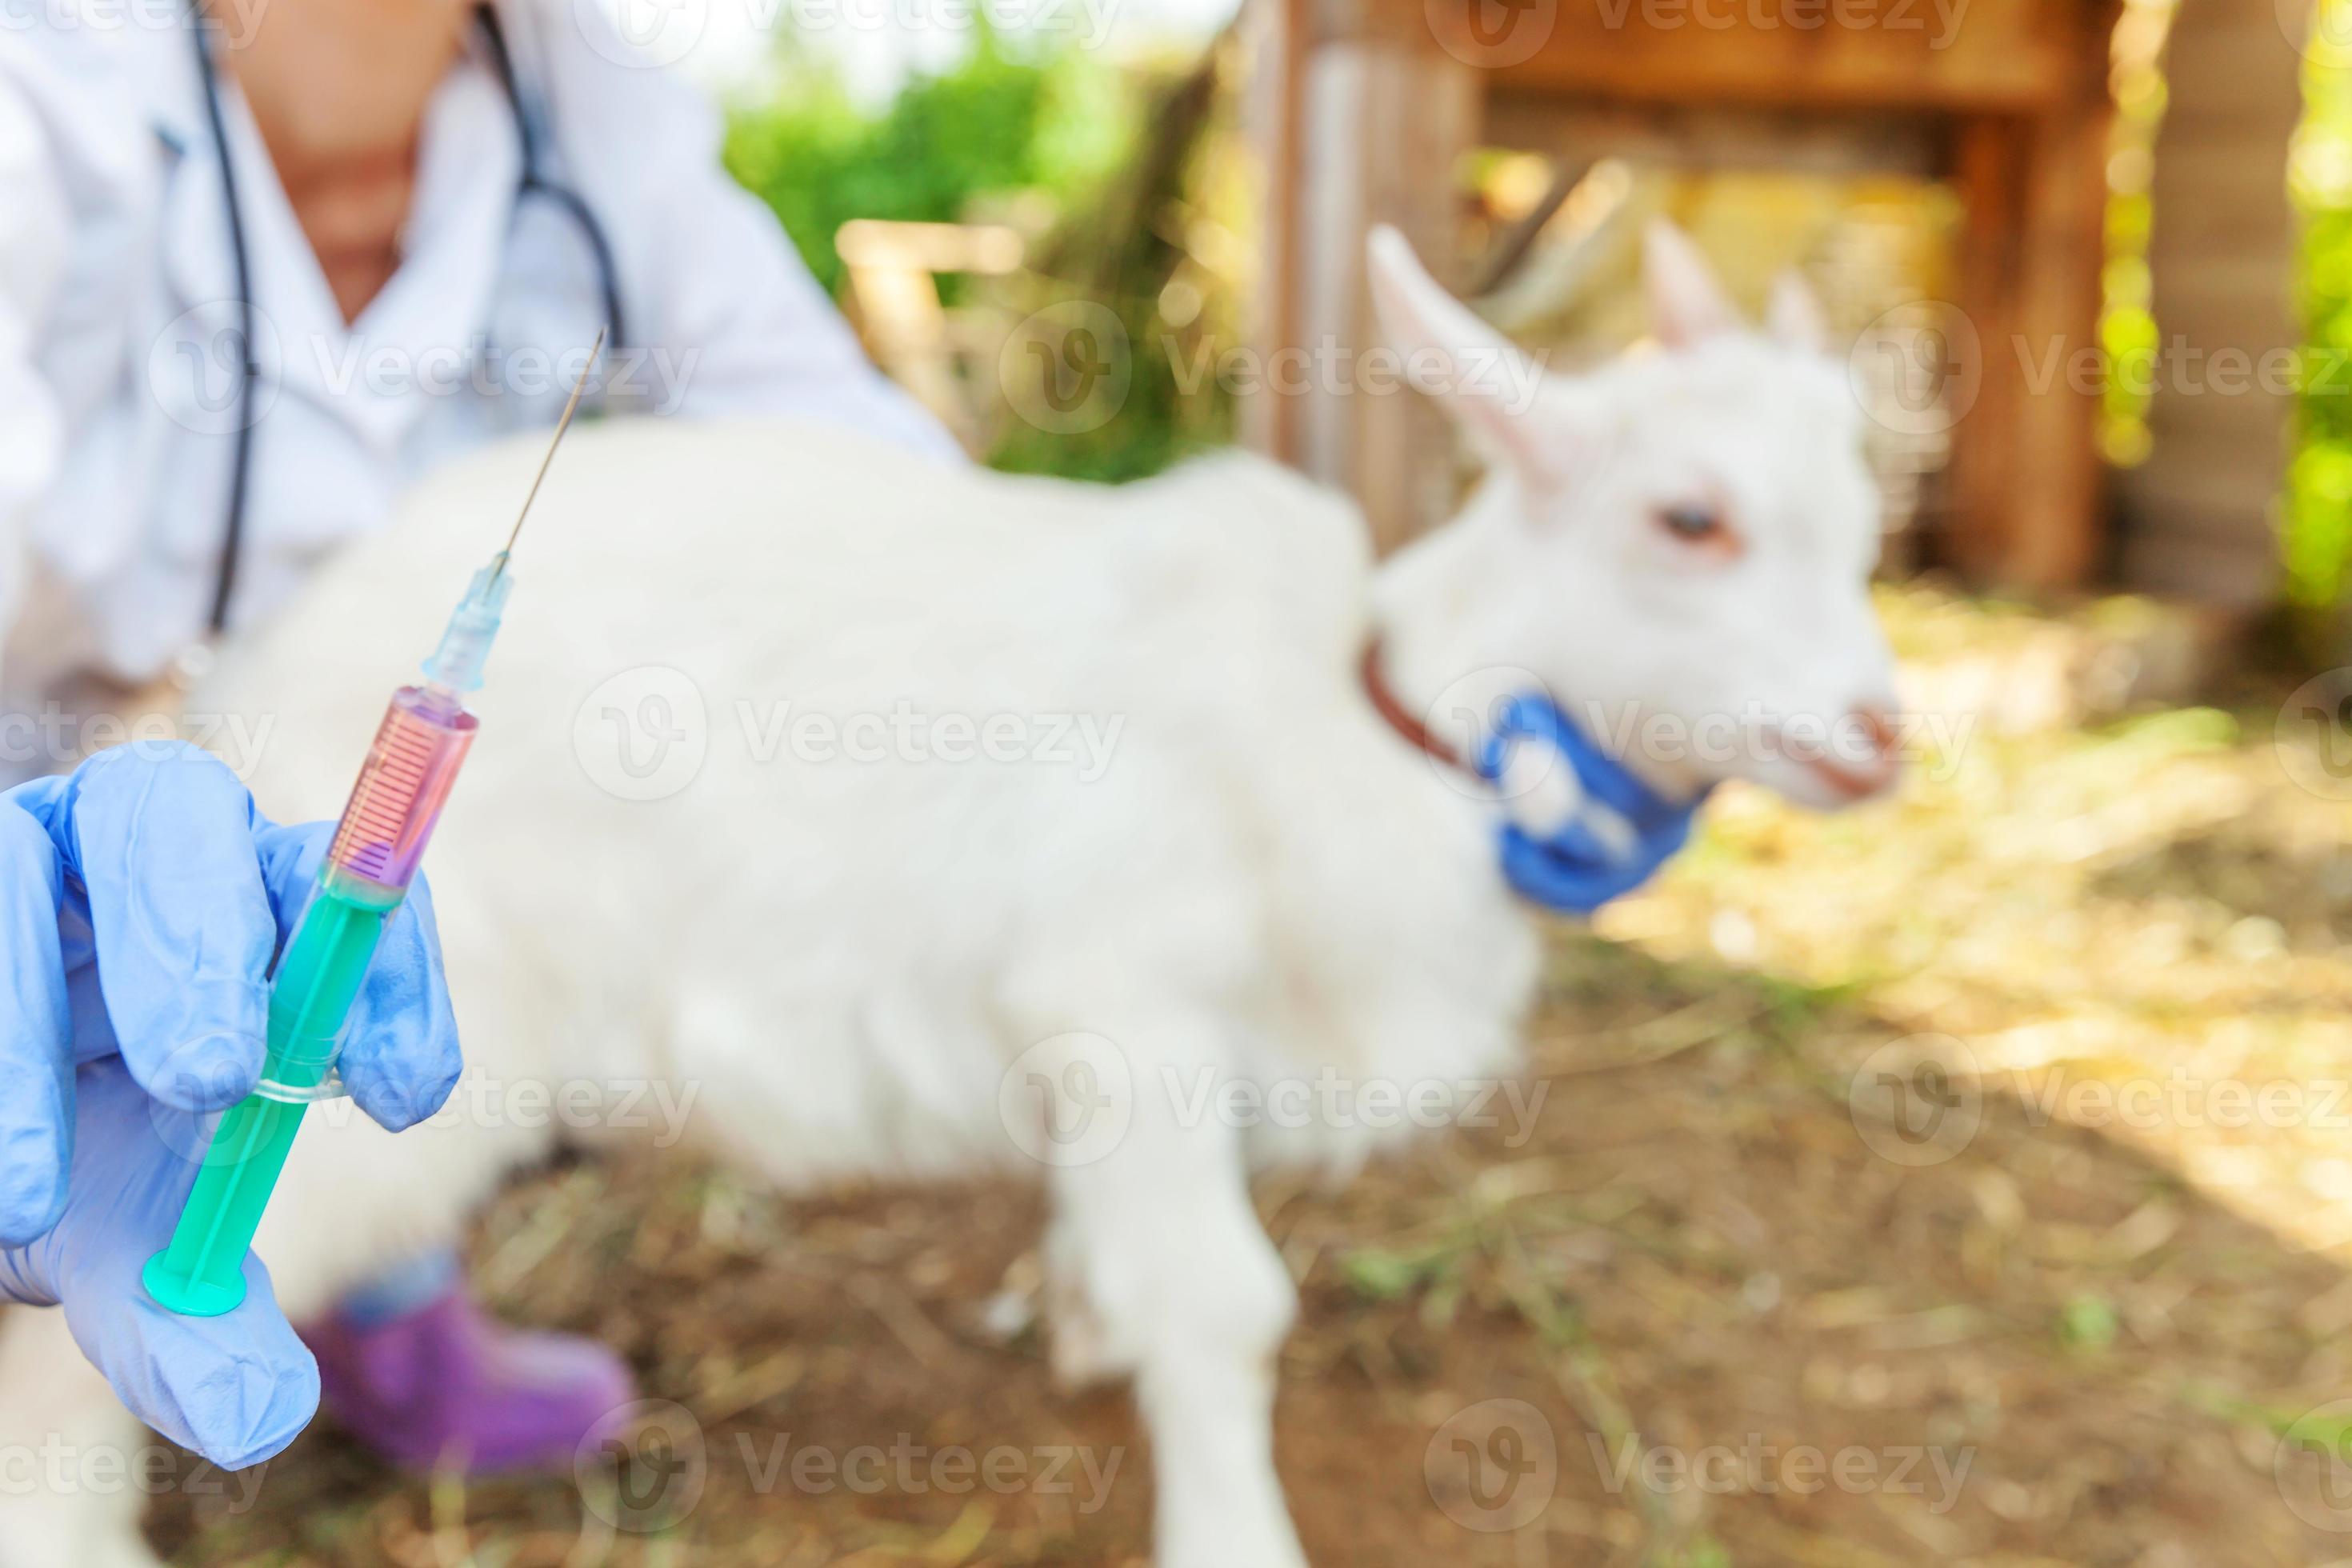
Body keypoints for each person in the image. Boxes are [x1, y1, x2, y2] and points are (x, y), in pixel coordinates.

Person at [0, 0, 957, 1472]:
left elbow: (880, 492)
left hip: (336, 808)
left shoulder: (592, 103)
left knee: (399, 978)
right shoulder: (52, 79)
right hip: (57, 808)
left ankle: (382, 1280)